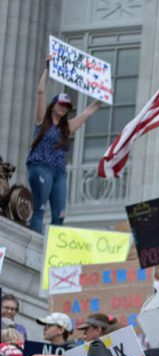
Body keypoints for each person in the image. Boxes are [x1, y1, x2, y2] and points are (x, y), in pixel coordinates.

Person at [27, 60, 100, 233]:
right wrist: (48, 68)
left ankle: (54, 249)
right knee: (39, 208)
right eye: (61, 104)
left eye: (67, 106)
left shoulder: (67, 128)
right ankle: (37, 239)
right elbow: (40, 91)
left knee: (59, 214)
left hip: (59, 172)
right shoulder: (42, 121)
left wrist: (101, 98)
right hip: (41, 167)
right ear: (53, 105)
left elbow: (86, 113)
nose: (63, 108)